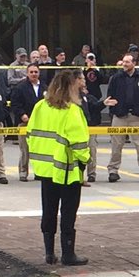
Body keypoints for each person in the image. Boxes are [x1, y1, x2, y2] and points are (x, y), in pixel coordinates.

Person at [25, 69, 91, 266]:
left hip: (46, 169)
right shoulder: (72, 111)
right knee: (68, 212)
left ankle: (49, 252)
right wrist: (84, 160)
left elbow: (30, 134)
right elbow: (79, 143)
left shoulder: (40, 107)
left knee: (49, 209)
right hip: (68, 170)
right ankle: (68, 254)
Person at [104, 53, 139, 183]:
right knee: (116, 144)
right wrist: (113, 111)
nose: (124, 64)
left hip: (137, 116)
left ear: (134, 63)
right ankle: (113, 171)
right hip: (120, 116)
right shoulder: (116, 78)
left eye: (127, 62)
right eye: (123, 62)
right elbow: (110, 96)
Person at [78, 63, 107, 181]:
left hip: (90, 127)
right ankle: (78, 175)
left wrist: (104, 103)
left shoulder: (89, 97)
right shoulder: (72, 97)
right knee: (78, 152)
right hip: (77, 129)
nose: (84, 81)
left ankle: (91, 174)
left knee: (92, 150)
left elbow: (95, 106)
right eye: (82, 79)